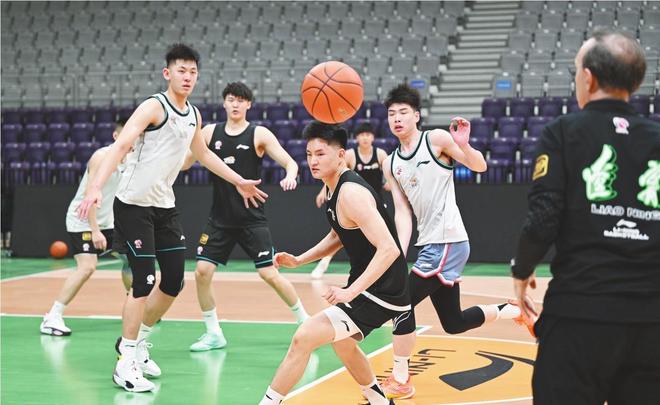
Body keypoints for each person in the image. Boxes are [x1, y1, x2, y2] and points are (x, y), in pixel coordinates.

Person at [77, 44, 267, 393]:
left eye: (193, 72)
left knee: (174, 282)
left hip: (164, 206)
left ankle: (136, 343)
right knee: (144, 281)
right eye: (182, 70)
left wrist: (238, 180)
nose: (188, 77)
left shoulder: (193, 114)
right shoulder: (153, 106)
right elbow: (120, 146)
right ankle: (125, 362)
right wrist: (95, 188)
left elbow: (204, 154)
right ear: (168, 73)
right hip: (133, 205)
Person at [511, 28, 660, 405]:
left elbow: (543, 218)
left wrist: (522, 269)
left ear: (588, 78)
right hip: (651, 321)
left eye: (576, 70)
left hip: (580, 314)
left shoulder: (563, 132)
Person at [380, 84, 533, 399]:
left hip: (447, 240)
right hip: (430, 244)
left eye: (403, 112)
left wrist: (464, 146)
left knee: (400, 301)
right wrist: (398, 252)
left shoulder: (435, 140)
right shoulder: (391, 163)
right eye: (392, 113)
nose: (397, 118)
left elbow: (480, 166)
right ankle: (512, 309)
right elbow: (403, 213)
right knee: (453, 322)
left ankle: (401, 378)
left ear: (416, 116)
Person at [258, 121, 411, 405]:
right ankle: (379, 401)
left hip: (384, 288)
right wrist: (300, 260)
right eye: (309, 154)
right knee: (343, 343)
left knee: (304, 337)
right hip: (372, 283)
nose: (313, 161)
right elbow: (338, 234)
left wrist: (350, 292)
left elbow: (389, 249)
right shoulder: (332, 188)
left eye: (320, 154)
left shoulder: (350, 193)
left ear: (341, 155)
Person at [181, 82, 309, 352]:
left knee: (269, 274)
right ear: (224, 103)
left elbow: (290, 162)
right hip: (219, 219)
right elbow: (185, 163)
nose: (235, 104)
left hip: (251, 219)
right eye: (231, 99)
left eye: (241, 100)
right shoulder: (209, 132)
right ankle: (213, 332)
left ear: (249, 104)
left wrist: (290, 176)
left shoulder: (258, 134)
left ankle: (305, 322)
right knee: (201, 272)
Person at [41, 120, 133, 336]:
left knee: (131, 259)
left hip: (110, 221)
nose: (131, 141)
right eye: (126, 136)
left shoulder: (132, 160)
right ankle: (52, 316)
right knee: (87, 267)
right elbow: (91, 194)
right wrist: (95, 230)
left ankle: (135, 307)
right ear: (115, 136)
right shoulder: (101, 157)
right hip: (83, 219)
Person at [311, 122, 391, 279]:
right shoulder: (350, 155)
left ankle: (382, 271)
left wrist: (390, 182)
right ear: (357, 138)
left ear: (373, 137)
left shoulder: (380, 154)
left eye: (368, 134)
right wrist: (323, 191)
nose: (365, 138)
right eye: (362, 135)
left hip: (375, 203)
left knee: (382, 238)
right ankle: (324, 263)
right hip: (353, 202)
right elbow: (334, 173)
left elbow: (391, 173)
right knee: (339, 234)